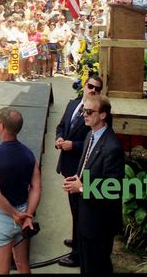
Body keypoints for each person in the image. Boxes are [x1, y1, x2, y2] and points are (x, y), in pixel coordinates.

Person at [63, 93, 124, 274]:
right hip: (85, 216)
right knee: (86, 265)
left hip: (100, 222)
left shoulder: (112, 148)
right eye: (83, 111)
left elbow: (112, 188)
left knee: (98, 266)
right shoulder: (91, 135)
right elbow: (86, 167)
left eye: (89, 112)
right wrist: (77, 177)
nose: (84, 115)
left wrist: (81, 187)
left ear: (103, 115)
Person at [0, 107, 41, 274]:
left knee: (1, 270)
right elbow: (36, 186)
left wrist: (14, 214)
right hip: (24, 215)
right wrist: (27, 215)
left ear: (1, 127)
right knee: (23, 265)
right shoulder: (29, 154)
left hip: (4, 217)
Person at [53, 75, 99, 268]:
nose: (93, 90)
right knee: (74, 208)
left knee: (80, 211)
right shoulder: (73, 104)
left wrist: (74, 145)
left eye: (97, 88)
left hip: (81, 169)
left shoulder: (98, 113)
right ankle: (76, 238)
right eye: (90, 86)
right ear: (84, 86)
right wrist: (59, 139)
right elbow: (61, 126)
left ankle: (78, 254)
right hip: (67, 165)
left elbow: (96, 142)